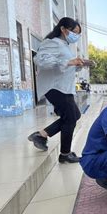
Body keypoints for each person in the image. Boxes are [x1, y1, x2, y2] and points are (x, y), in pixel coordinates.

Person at [28, 17, 85, 163]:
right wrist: (68, 61)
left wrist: (77, 64)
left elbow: (64, 66)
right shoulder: (52, 43)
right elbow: (40, 60)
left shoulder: (65, 46)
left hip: (65, 88)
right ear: (63, 29)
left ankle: (41, 135)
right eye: (74, 32)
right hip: (55, 87)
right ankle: (65, 154)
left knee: (74, 116)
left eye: (78, 34)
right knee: (71, 117)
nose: (76, 36)